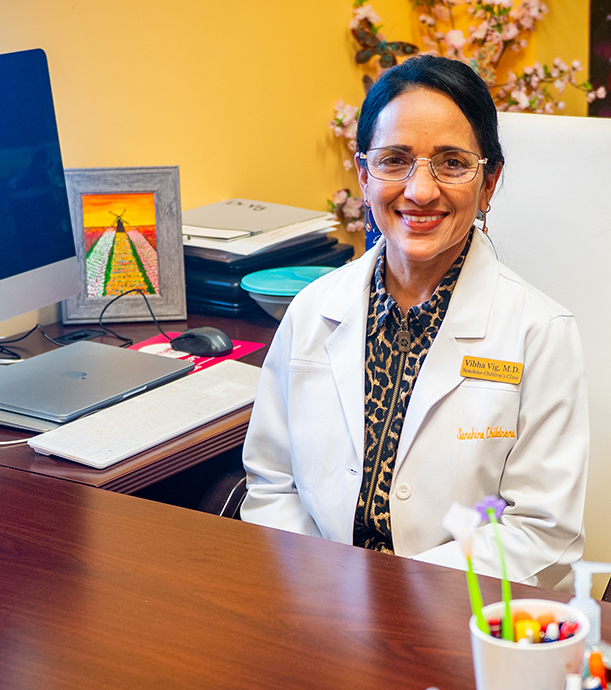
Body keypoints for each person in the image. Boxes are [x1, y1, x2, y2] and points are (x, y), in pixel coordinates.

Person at [240, 55, 589, 588]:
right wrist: (327, 593)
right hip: (317, 608)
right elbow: (272, 485)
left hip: (468, 619)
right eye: (395, 160)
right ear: (363, 174)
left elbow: (540, 531)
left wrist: (395, 598)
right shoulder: (313, 311)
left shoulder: (540, 333)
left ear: (488, 182)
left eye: (451, 163)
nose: (420, 191)